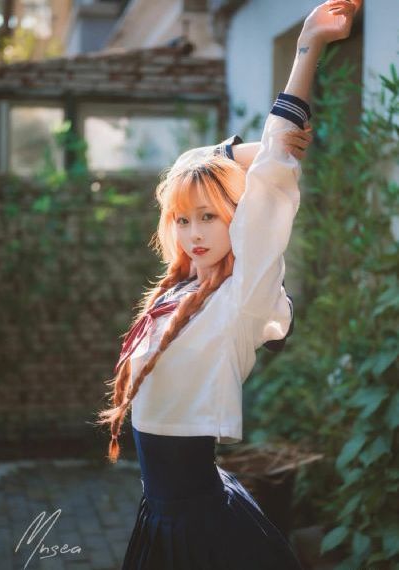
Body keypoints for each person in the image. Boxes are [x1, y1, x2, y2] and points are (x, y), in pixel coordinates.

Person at [96, 1, 361, 568]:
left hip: (201, 528)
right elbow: (187, 168)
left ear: (238, 221)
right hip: (160, 514)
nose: (194, 233)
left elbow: (272, 181)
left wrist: (308, 44)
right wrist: (235, 155)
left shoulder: (242, 296)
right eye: (183, 220)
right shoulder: (178, 290)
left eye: (210, 217)